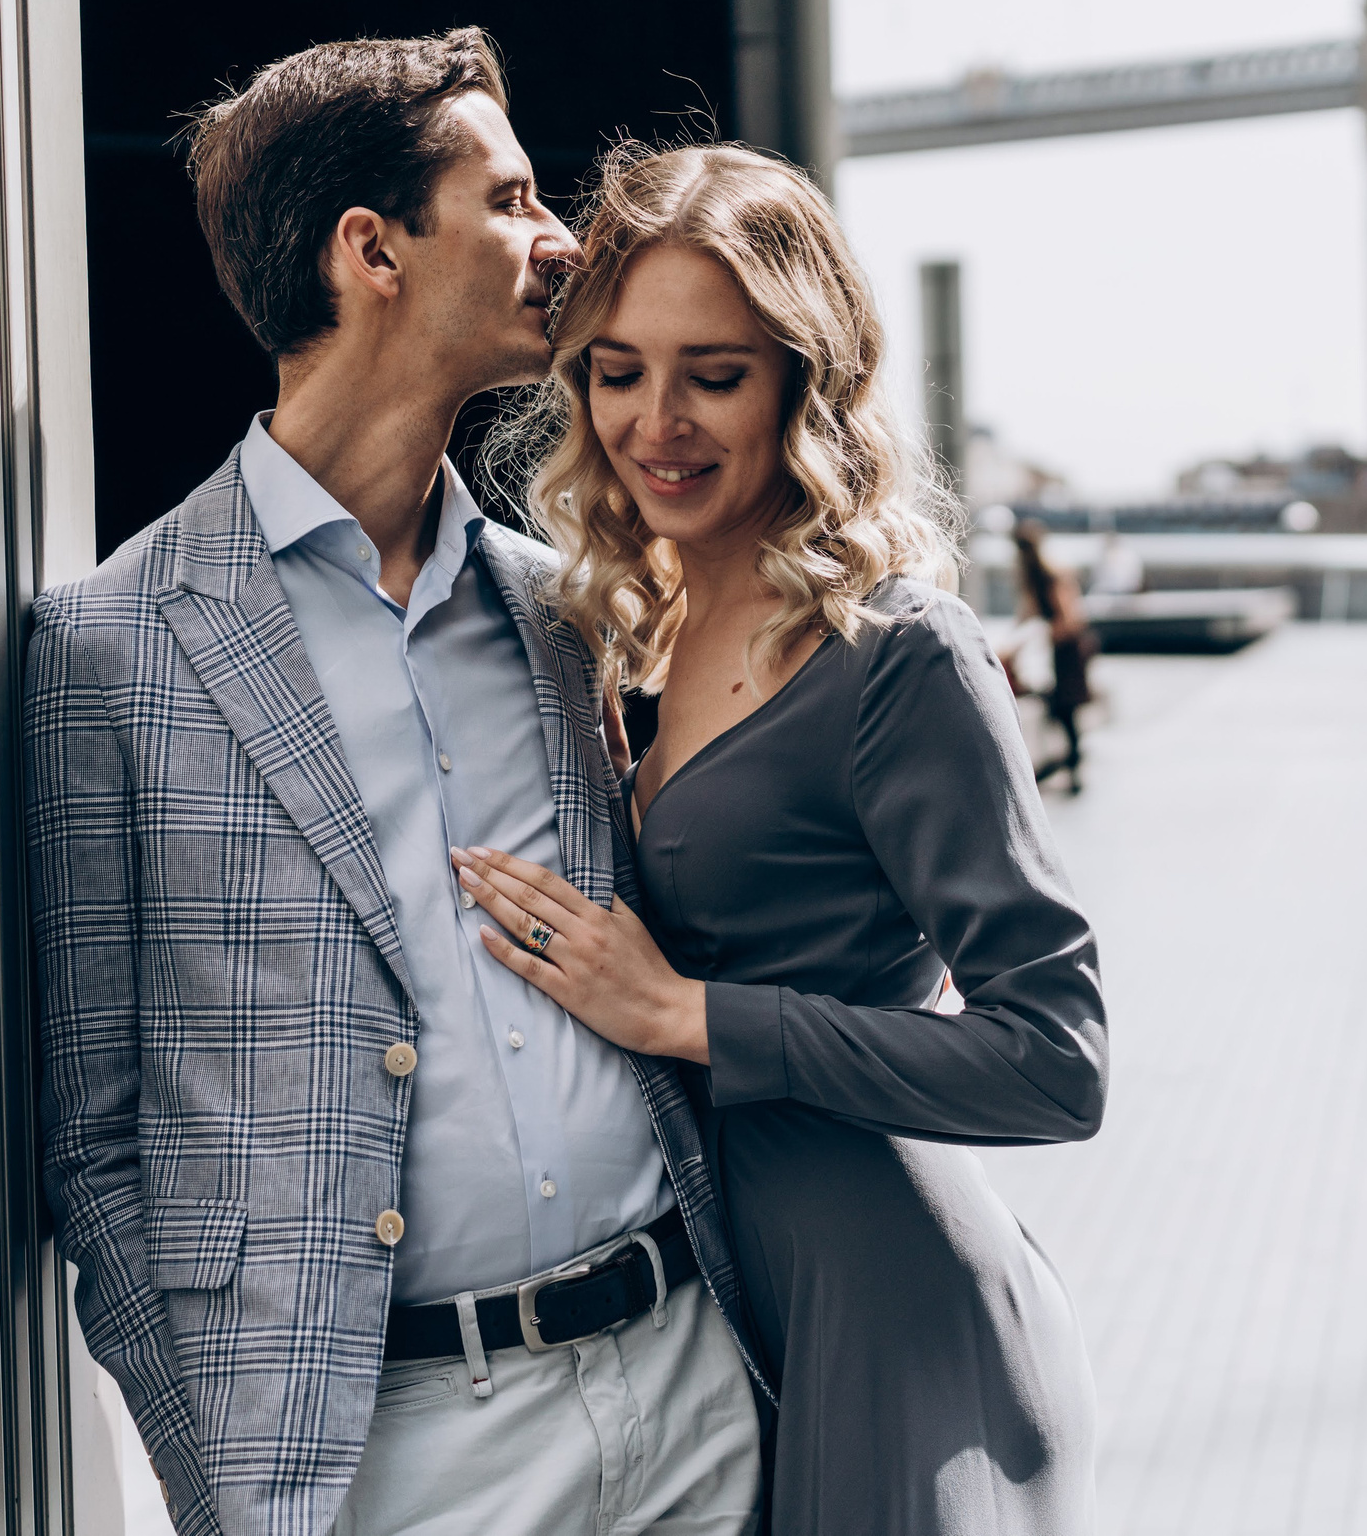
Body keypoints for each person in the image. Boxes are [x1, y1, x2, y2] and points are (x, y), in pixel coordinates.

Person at [25, 33, 765, 1536]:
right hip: (399, 1455)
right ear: (372, 251)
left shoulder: (570, 610)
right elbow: (95, 1146)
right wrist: (227, 1492)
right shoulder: (111, 648)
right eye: (511, 200)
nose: (563, 241)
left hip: (688, 1386)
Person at [462, 142, 1108, 1535]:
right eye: (618, 371)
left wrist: (690, 1015)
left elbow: (1059, 1062)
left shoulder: (898, 653)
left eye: (714, 374)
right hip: (712, 1313)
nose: (656, 422)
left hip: (885, 1313)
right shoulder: (628, 633)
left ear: (803, 383)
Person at [1012, 520, 1096, 793]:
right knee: (1061, 708)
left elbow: (1070, 619)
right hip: (1058, 650)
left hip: (1067, 652)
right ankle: (1068, 764)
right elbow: (1028, 613)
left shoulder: (1049, 575)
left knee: (1065, 707)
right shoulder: (1038, 574)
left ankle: (1072, 766)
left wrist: (1042, 634)